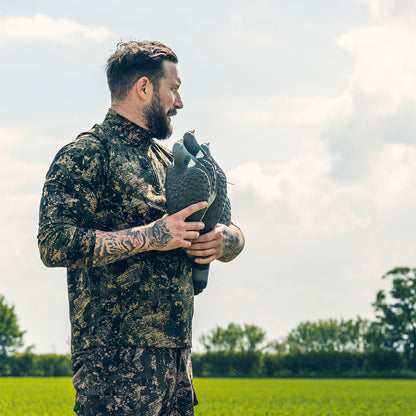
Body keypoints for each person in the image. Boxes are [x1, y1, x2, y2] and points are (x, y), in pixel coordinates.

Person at [37, 40, 244, 416]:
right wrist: (151, 236)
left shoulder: (172, 161)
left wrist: (223, 240)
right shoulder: (86, 154)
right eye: (174, 90)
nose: (179, 104)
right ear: (144, 88)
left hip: (178, 361)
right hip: (114, 365)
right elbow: (53, 243)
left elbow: (231, 228)